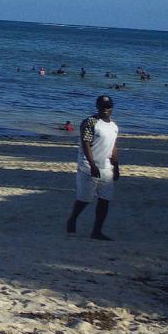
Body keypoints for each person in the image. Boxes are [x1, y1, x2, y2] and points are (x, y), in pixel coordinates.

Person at [66, 95, 119, 240]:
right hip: (88, 166)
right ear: (97, 107)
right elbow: (86, 144)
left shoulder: (114, 126)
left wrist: (116, 166)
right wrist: (92, 164)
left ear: (112, 108)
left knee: (105, 200)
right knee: (84, 198)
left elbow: (113, 146)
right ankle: (72, 219)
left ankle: (97, 231)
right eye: (103, 107)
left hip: (106, 167)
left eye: (108, 107)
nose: (106, 110)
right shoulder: (90, 122)